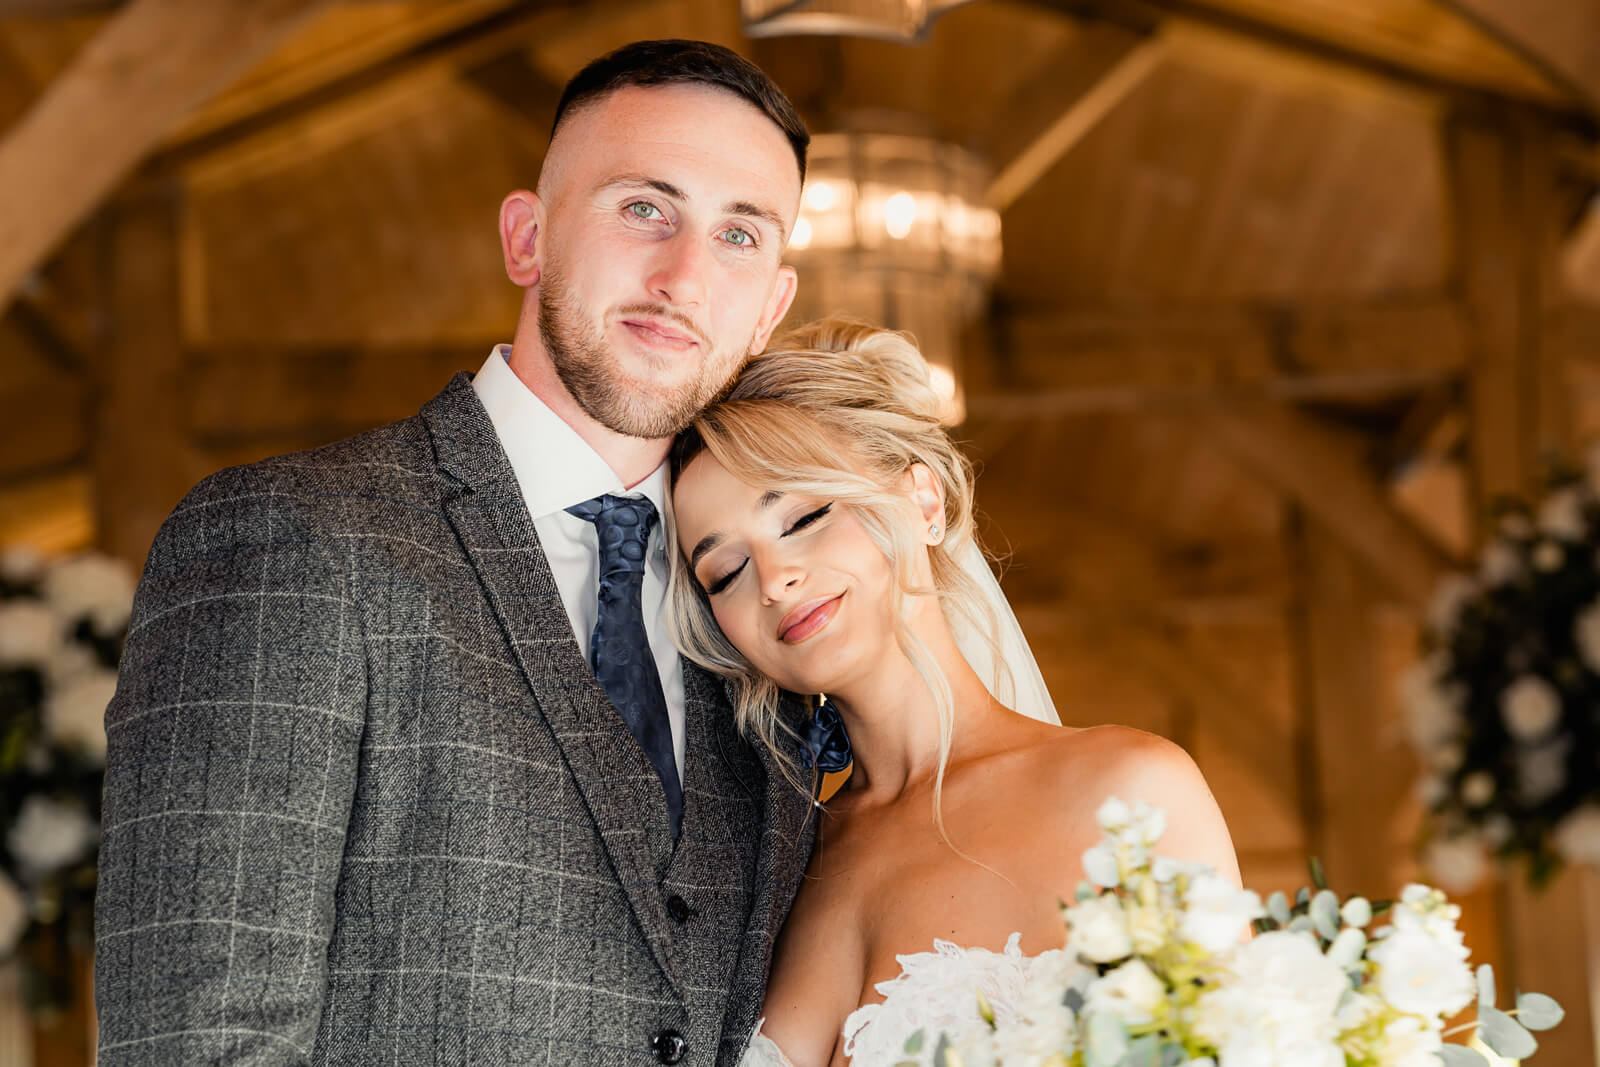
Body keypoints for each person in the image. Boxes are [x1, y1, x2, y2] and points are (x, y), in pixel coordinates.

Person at [95, 40, 816, 1066]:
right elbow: (198, 1042)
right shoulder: (292, 537)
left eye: (738, 233)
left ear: (772, 306)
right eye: (644, 208)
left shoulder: (766, 612)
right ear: (527, 237)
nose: (684, 275)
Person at [666, 319, 1244, 1066]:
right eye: (726, 572)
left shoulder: (1129, 796)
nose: (774, 579)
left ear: (924, 502)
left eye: (806, 516)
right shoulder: (774, 865)